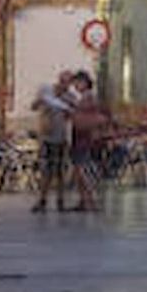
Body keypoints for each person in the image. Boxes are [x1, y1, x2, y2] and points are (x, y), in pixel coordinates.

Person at [30, 72, 76, 213]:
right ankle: (42, 200)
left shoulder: (70, 97)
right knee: (45, 171)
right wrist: (40, 102)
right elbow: (33, 106)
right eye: (64, 82)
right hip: (46, 137)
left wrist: (69, 109)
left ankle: (60, 201)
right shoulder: (46, 93)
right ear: (59, 81)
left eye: (68, 83)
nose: (66, 86)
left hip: (61, 138)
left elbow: (72, 115)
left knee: (60, 171)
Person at [65, 72, 106, 212]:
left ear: (84, 82)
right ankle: (83, 200)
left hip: (85, 138)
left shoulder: (89, 98)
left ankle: (90, 201)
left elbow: (87, 113)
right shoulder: (82, 98)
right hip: (78, 137)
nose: (75, 86)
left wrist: (73, 109)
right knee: (78, 171)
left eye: (77, 82)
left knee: (83, 171)